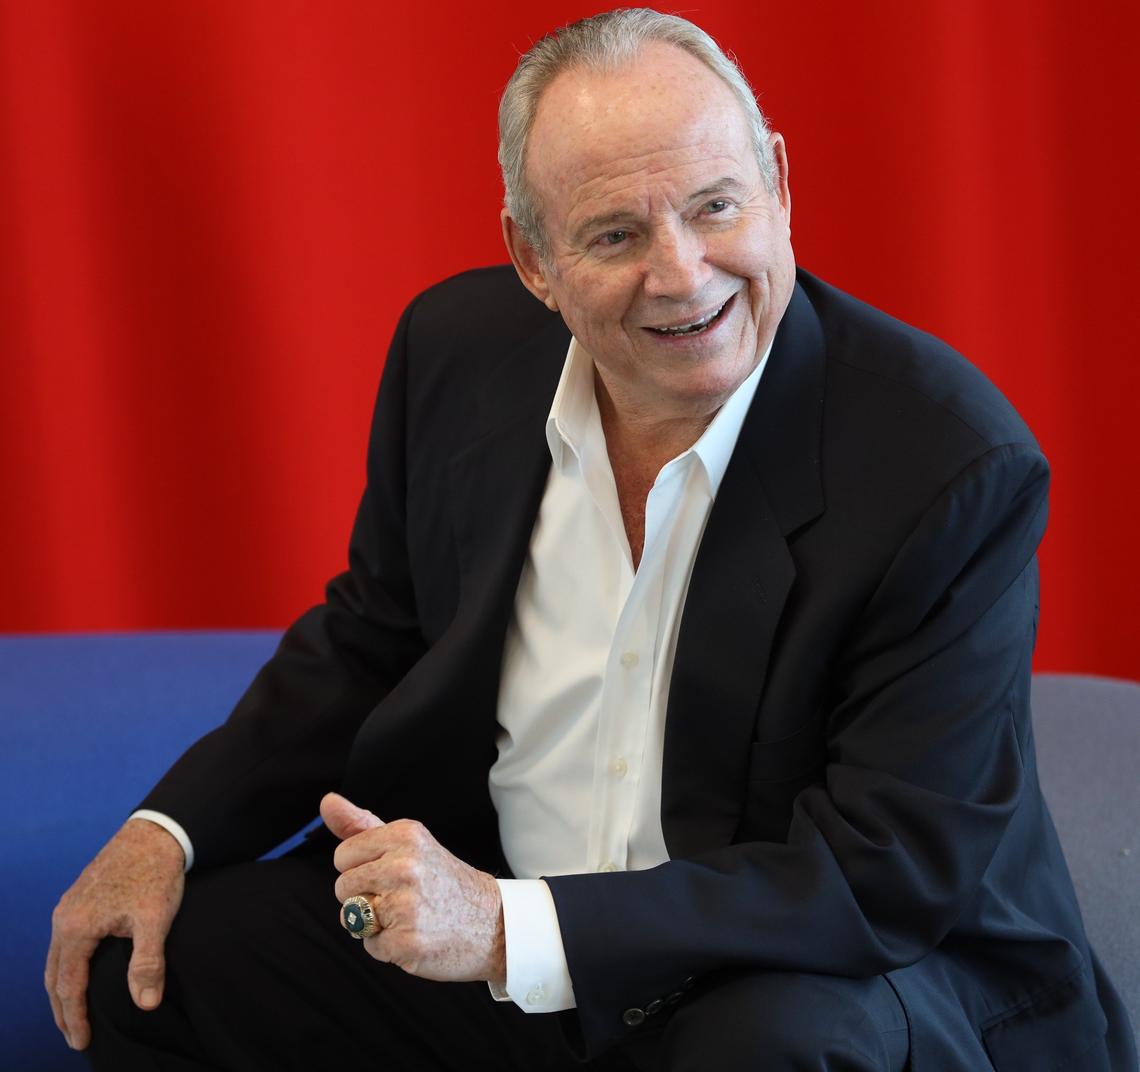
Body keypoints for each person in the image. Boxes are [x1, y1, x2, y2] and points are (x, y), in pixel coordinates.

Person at [46, 8, 1136, 1071]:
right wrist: (170, 829)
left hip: (813, 967)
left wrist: (510, 928)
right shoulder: (455, 354)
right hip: (508, 949)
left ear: (781, 189)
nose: (682, 273)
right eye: (615, 234)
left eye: (716, 207)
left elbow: (882, 872)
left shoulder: (943, 462)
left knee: (765, 1045)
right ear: (533, 258)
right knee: (151, 965)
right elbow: (376, 637)